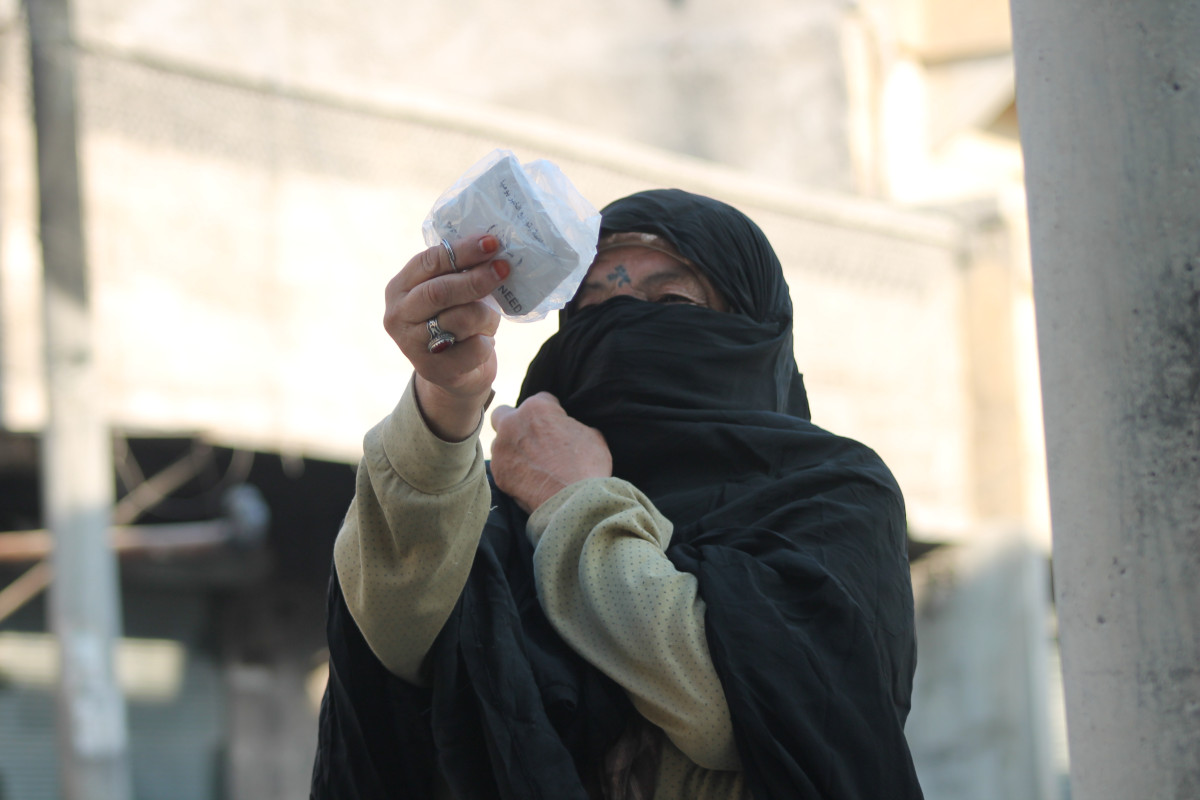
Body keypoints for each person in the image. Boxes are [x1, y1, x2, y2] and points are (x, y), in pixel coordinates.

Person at [310, 189, 924, 800]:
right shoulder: (502, 497)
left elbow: (735, 710)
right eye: (594, 308)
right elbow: (390, 636)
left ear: (752, 331)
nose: (625, 324)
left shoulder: (831, 496)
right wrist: (446, 399)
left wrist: (575, 500)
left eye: (673, 300)